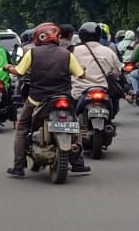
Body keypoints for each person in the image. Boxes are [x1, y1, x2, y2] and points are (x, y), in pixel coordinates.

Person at [7, 22, 89, 179]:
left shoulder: (32, 53)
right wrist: (82, 69)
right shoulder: (67, 54)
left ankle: (18, 166)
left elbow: (18, 72)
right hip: (63, 98)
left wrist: (8, 67)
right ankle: (78, 163)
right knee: (74, 126)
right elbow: (80, 75)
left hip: (37, 100)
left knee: (22, 128)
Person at [72, 21, 124, 119]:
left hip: (80, 92)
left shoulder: (74, 51)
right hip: (104, 90)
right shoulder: (108, 51)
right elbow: (117, 72)